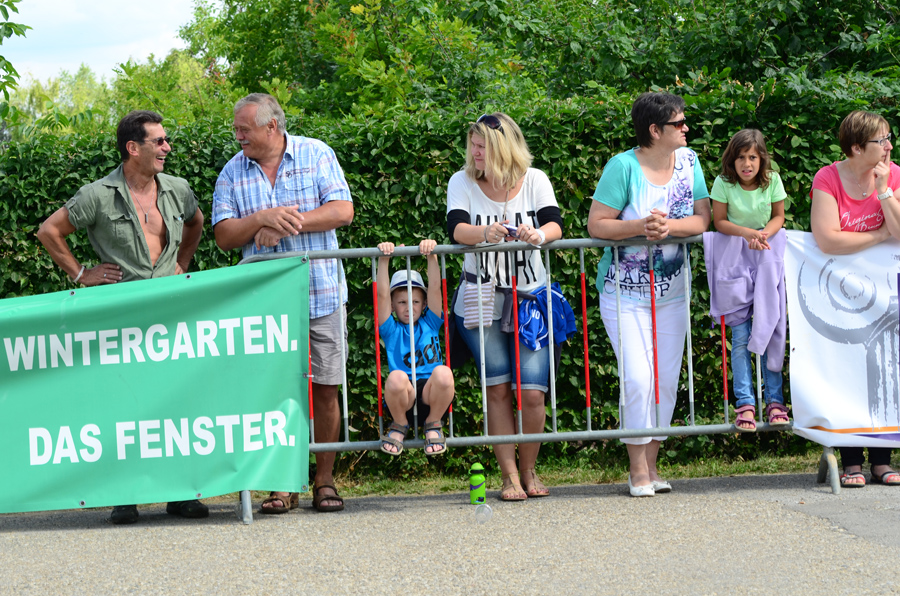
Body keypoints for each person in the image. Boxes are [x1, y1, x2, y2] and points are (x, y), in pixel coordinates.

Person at [36, 110, 206, 524]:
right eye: (158, 141)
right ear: (133, 148)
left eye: (166, 140)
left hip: (171, 313)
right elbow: (49, 231)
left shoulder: (178, 189)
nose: (167, 147)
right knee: (125, 405)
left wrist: (182, 263)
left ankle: (181, 494)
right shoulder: (97, 195)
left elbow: (196, 222)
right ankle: (124, 495)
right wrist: (81, 274)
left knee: (175, 402)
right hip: (121, 318)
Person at [212, 93, 354, 513]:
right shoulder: (232, 171)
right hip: (265, 307)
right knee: (274, 396)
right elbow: (223, 235)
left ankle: (324, 481)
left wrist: (288, 223)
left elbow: (343, 210)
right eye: (236, 130)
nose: (238, 136)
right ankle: (282, 483)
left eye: (244, 129)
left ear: (271, 126)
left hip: (322, 295)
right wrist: (261, 219)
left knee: (326, 391)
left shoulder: (316, 153)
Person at [587, 92, 711, 497]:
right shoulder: (622, 166)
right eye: (679, 123)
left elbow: (702, 219)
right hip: (624, 294)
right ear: (655, 130)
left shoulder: (690, 162)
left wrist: (668, 228)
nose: (686, 128)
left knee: (666, 382)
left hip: (672, 293)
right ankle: (636, 468)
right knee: (638, 379)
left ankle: (653, 465)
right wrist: (640, 227)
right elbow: (597, 225)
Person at [446, 113, 563, 501]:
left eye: (482, 145)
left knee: (532, 392)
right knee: (496, 389)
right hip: (480, 299)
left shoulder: (535, 179)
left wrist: (537, 235)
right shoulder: (462, 181)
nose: (474, 152)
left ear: (502, 147)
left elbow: (555, 225)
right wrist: (486, 233)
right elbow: (456, 230)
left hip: (530, 299)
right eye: (473, 144)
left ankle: (529, 470)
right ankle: (509, 476)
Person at [809, 110, 900, 488]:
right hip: (838, 290)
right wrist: (878, 236)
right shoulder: (827, 178)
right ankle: (851, 461)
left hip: (885, 291)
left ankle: (882, 459)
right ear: (857, 147)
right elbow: (828, 239)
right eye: (882, 140)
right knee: (846, 370)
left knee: (884, 369)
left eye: (890, 137)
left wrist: (884, 190)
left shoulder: (894, 174)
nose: (890, 146)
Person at [709, 129, 789, 431]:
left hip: (766, 256)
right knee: (740, 337)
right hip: (733, 261)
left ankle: (775, 401)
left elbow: (779, 217)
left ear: (761, 159)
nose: (747, 163)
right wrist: (747, 234)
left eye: (752, 157)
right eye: (741, 157)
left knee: (771, 329)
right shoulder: (723, 183)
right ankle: (745, 404)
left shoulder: (773, 180)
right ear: (733, 159)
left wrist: (763, 235)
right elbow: (719, 221)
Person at [375, 239, 455, 455]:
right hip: (404, 398)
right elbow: (382, 295)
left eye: (415, 302)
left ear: (425, 303)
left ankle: (433, 423)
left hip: (432, 394)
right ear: (393, 306)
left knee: (444, 373)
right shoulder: (390, 329)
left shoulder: (431, 322)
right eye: (402, 302)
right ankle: (399, 424)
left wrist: (432, 256)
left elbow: (435, 289)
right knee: (396, 377)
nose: (409, 308)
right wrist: (383, 261)